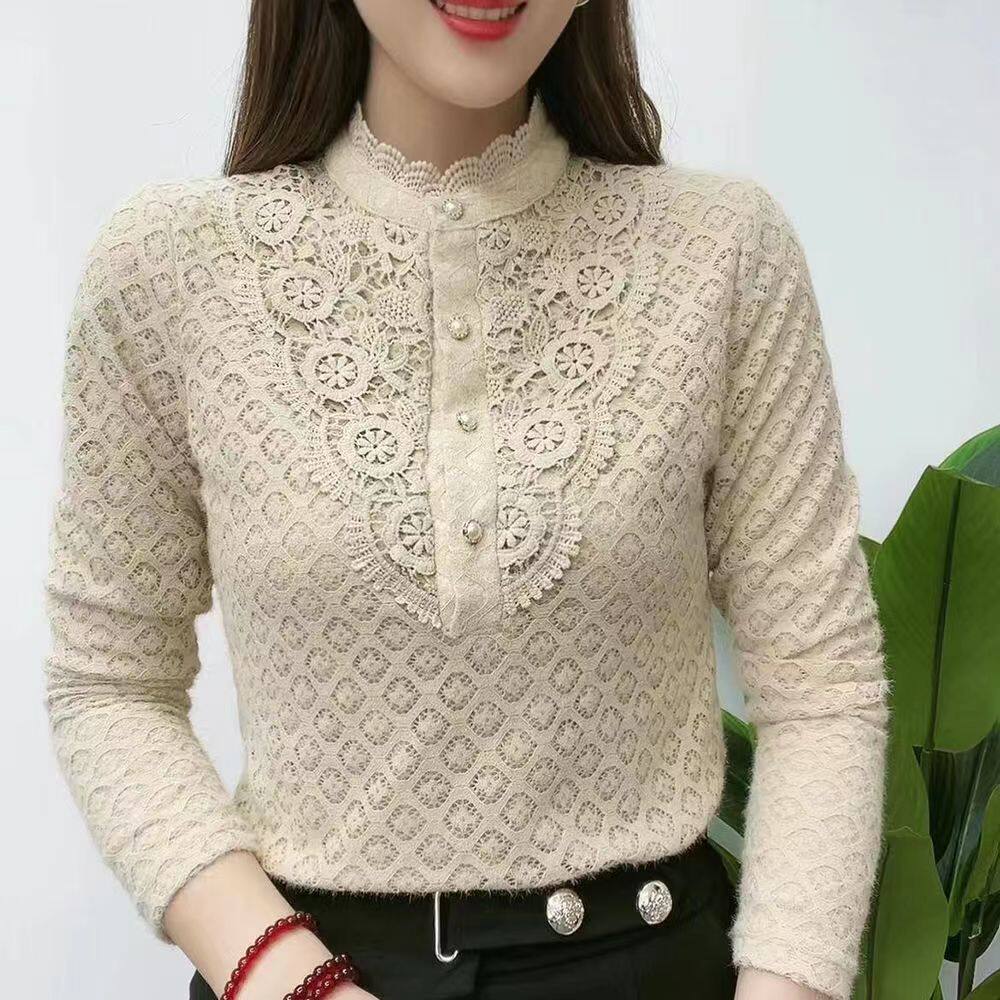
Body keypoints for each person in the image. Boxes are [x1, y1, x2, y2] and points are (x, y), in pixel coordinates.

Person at [41, 1, 893, 998]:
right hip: (297, 971)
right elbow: (110, 682)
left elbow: (821, 681)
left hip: (651, 960)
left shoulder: (723, 253)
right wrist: (292, 980)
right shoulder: (167, 268)